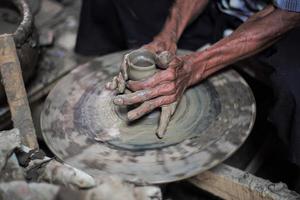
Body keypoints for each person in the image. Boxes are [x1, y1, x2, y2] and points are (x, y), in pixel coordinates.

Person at [76, 1, 300, 166]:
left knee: (293, 88)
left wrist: (196, 66)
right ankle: (103, 82)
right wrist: (167, 36)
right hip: (224, 8)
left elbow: (286, 14)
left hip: (281, 23)